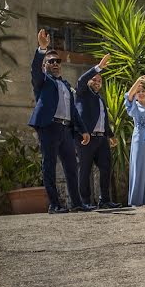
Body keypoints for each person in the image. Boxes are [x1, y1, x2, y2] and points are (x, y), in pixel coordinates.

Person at [28, 29, 93, 214]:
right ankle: (54, 205)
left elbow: (73, 111)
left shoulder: (65, 85)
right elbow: (34, 70)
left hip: (66, 130)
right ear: (45, 65)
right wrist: (42, 48)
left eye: (58, 61)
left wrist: (83, 130)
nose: (56, 64)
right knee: (49, 166)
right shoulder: (42, 82)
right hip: (49, 127)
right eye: (51, 61)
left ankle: (77, 203)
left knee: (72, 168)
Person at [75, 57, 121, 209]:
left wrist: (111, 136)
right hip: (86, 139)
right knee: (85, 170)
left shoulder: (100, 99)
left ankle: (105, 200)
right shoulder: (82, 92)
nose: (97, 82)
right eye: (94, 79)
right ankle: (85, 201)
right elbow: (82, 79)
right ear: (89, 80)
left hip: (101, 139)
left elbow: (103, 119)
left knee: (106, 168)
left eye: (99, 81)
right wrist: (98, 68)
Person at [124, 75, 145, 206]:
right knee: (139, 169)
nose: (141, 93)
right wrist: (138, 81)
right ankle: (136, 201)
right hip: (140, 140)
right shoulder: (135, 107)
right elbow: (128, 96)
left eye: (143, 91)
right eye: (138, 92)